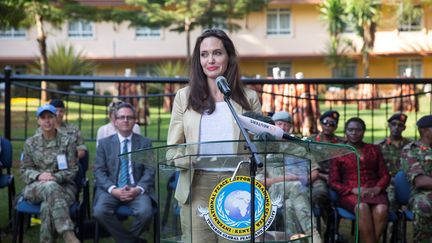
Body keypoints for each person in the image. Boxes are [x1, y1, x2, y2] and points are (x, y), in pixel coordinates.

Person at [166, 28, 261, 242]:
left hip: (238, 185)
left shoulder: (249, 98)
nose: (210, 59)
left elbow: (260, 146)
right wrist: (185, 159)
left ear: (228, 57)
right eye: (204, 54)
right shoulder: (184, 97)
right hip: (197, 184)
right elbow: (172, 149)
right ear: (198, 60)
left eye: (217, 53)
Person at [253, 111, 322, 242]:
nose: (283, 128)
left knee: (290, 205)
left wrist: (305, 179)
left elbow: (315, 171)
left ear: (290, 128)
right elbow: (259, 181)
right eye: (279, 124)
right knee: (295, 187)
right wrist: (287, 179)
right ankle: (314, 235)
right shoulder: (264, 147)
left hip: (300, 192)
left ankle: (295, 240)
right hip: (273, 192)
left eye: (286, 125)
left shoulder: (298, 148)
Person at [93, 102, 155, 243]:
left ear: (135, 121)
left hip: (136, 188)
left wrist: (138, 189)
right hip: (111, 188)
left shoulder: (145, 143)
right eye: (121, 117)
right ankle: (131, 241)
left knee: (146, 213)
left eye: (129, 117)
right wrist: (113, 189)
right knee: (99, 211)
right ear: (115, 121)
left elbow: (150, 170)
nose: (125, 120)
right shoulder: (104, 143)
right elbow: (99, 171)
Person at [20, 104, 80, 243]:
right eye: (43, 117)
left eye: (50, 117)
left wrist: (54, 177)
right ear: (38, 121)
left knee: (47, 206)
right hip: (35, 187)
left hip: (64, 187)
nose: (47, 121)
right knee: (50, 186)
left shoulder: (67, 141)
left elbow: (73, 170)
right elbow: (24, 170)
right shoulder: (30, 143)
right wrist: (39, 176)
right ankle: (68, 234)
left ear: (56, 118)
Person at [329, 117, 390, 243]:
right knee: (362, 207)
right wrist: (353, 190)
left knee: (382, 209)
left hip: (374, 190)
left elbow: (385, 175)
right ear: (345, 132)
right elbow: (333, 181)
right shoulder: (339, 152)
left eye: (358, 130)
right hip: (351, 193)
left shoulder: (374, 149)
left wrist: (377, 188)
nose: (354, 133)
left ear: (364, 131)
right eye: (350, 130)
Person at [308, 110, 344, 234]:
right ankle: (330, 226)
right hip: (319, 176)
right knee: (319, 193)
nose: (328, 126)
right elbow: (306, 163)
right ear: (321, 124)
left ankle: (333, 229)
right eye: (325, 123)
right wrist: (323, 176)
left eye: (332, 124)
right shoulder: (311, 141)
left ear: (336, 126)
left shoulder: (342, 143)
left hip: (339, 178)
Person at [400, 115, 432, 242]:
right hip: (422, 194)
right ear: (424, 131)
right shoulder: (411, 150)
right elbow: (420, 181)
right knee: (423, 205)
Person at [375, 113, 411, 210]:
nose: (396, 127)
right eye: (393, 124)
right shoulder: (378, 146)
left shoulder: (411, 146)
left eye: (400, 125)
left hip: (406, 182)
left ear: (404, 128)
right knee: (389, 199)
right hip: (386, 183)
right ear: (388, 125)